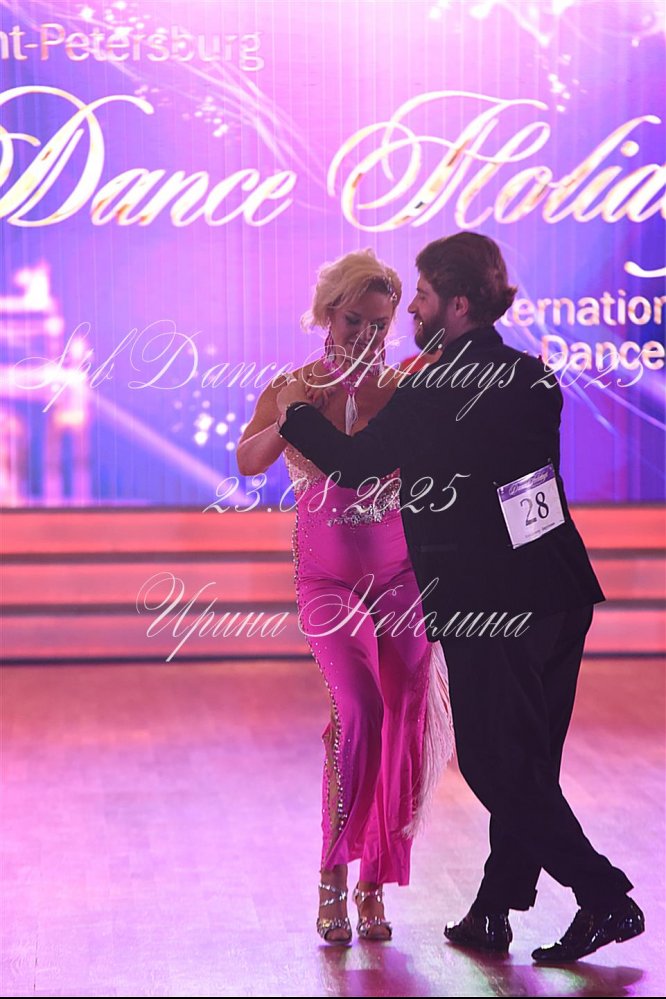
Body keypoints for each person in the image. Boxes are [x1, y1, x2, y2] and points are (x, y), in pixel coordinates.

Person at [275, 232, 644, 963]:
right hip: (560, 590)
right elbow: (529, 490)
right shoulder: (533, 376)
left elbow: (351, 464)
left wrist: (294, 412)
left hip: (490, 602)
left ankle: (603, 894)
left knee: (491, 761)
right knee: (529, 762)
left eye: (423, 296)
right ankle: (493, 908)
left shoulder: (433, 389)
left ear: (460, 304)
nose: (412, 308)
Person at [237, 249, 454, 946]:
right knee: (358, 710)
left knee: (405, 714)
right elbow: (247, 460)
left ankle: (373, 880)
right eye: (354, 320)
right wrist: (288, 420)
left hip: (401, 577)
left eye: (380, 323)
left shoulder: (403, 388)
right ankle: (332, 870)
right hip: (327, 581)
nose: (366, 334)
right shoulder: (290, 387)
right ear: (328, 314)